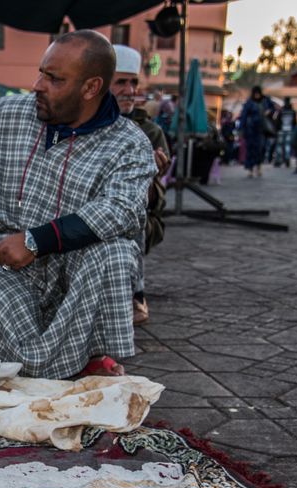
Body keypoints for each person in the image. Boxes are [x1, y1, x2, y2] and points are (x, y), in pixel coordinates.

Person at [0, 30, 156, 379]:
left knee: (118, 255)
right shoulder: (4, 115)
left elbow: (122, 209)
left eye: (54, 79)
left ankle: (85, 358)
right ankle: (62, 370)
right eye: (41, 72)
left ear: (90, 88)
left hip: (73, 267)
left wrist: (35, 240)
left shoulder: (129, 143)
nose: (38, 85)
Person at [110, 45, 170, 327]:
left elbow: (158, 203)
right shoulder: (82, 124)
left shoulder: (150, 131)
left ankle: (137, 292)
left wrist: (151, 177)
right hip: (94, 211)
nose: (130, 90)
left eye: (133, 82)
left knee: (129, 213)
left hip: (139, 219)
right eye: (121, 82)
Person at [239, 86, 267, 178]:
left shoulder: (264, 102)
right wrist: (241, 129)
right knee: (251, 150)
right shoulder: (250, 103)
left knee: (259, 150)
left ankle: (258, 167)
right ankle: (250, 169)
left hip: (260, 130)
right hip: (251, 130)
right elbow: (243, 116)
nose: (257, 95)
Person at [273, 97, 296, 168]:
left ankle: (278, 160)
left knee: (279, 145)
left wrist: (276, 130)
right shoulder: (293, 111)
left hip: (281, 130)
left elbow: (277, 121)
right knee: (287, 145)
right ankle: (287, 159)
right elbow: (294, 122)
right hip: (289, 130)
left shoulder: (281, 111)